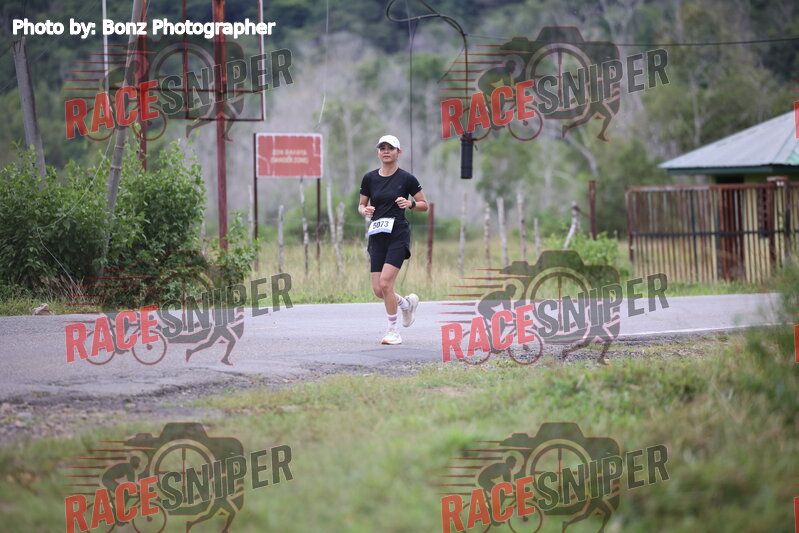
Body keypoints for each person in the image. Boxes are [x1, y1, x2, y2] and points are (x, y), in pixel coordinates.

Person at [358, 135, 428, 345]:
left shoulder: (407, 178)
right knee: (379, 290)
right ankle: (406, 304)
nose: (386, 151)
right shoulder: (369, 178)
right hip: (377, 235)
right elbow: (361, 205)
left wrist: (410, 204)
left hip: (398, 234)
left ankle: (393, 331)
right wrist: (365, 210)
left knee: (386, 283)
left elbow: (424, 204)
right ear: (378, 152)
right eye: (383, 148)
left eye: (391, 148)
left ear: (399, 152)